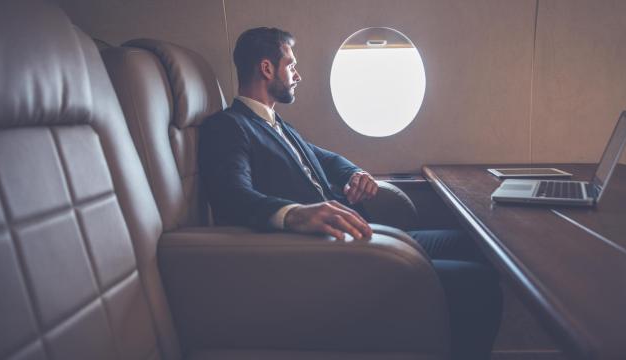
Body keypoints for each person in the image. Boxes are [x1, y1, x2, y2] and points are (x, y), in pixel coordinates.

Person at [199, 27, 502, 360]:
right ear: (267, 68)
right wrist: (295, 213)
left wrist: (354, 172)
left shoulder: (276, 124)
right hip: (328, 257)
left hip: (361, 234)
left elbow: (326, 158)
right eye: (291, 64)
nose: (297, 75)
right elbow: (232, 196)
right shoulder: (228, 126)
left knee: (472, 244)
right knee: (478, 284)